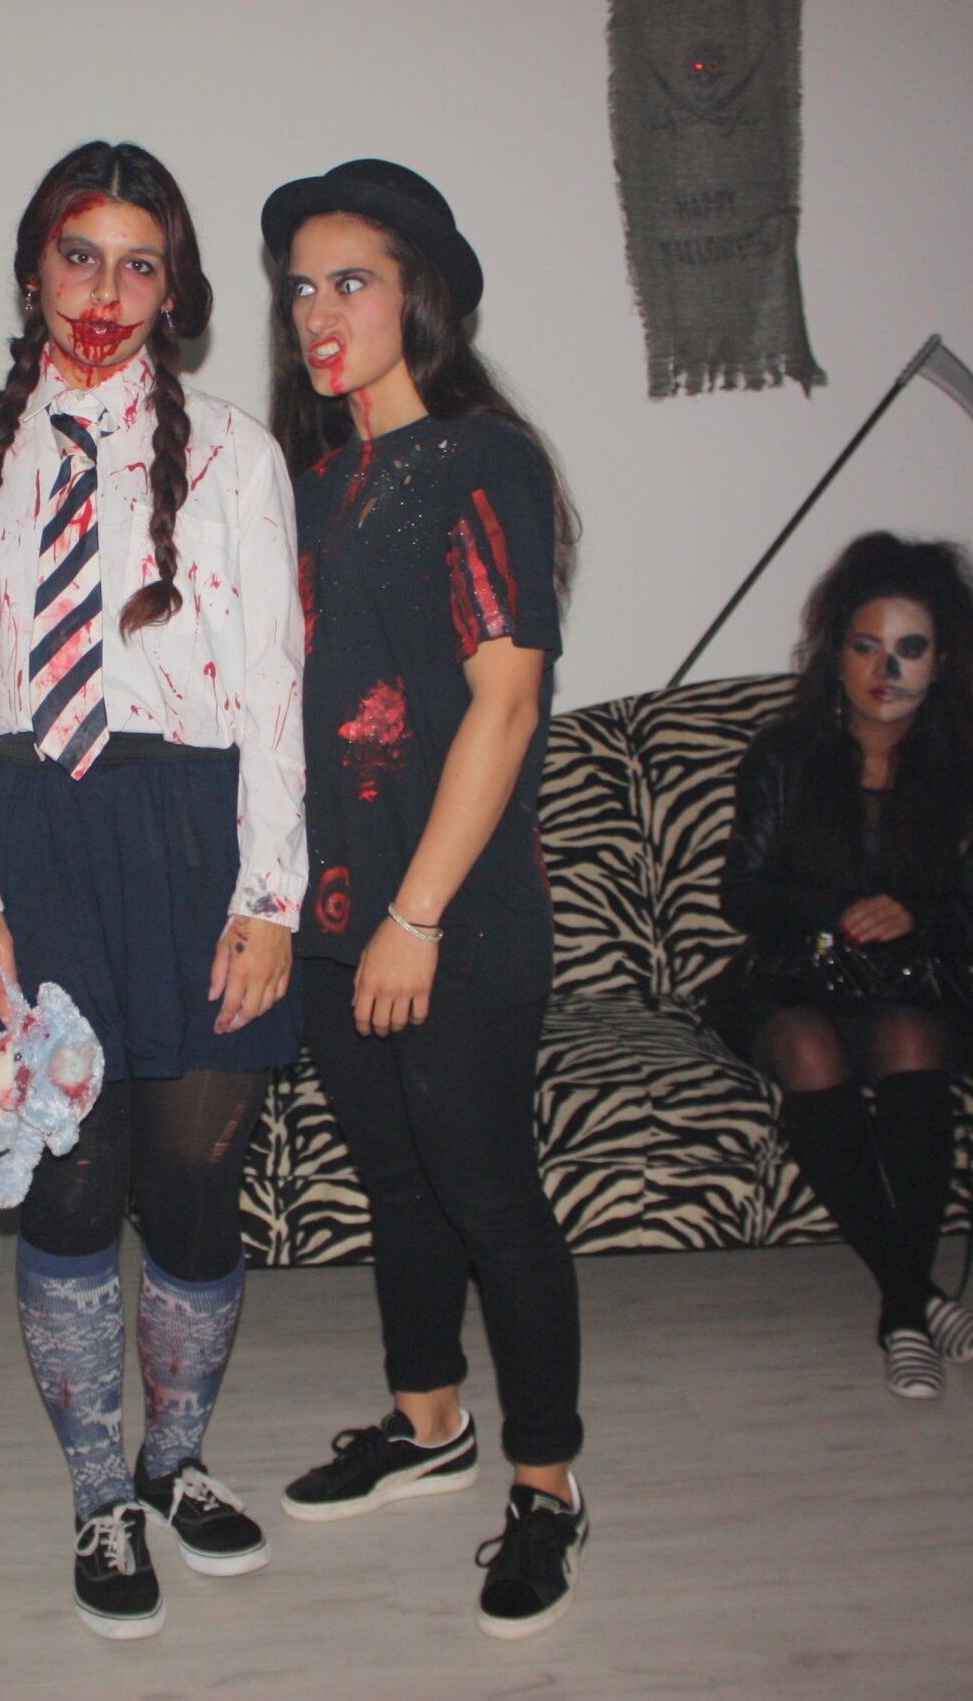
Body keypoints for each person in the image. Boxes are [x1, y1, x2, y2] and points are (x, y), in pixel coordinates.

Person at [0, 140, 305, 1640]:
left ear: (175, 290)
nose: (107, 292)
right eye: (82, 255)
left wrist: (270, 897)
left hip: (198, 841)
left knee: (193, 1186)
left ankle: (175, 1460)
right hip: (32, 843)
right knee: (69, 1184)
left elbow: (276, 693)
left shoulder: (238, 457)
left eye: (142, 265)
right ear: (33, 269)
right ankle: (96, 1492)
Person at [259, 159, 587, 1640]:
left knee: (488, 1194)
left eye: (353, 281)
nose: (319, 312)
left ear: (422, 299)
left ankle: (547, 1482)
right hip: (336, 914)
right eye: (301, 287)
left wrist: (417, 918)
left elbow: (505, 705)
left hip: (449, 916)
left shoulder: (482, 459)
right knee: (395, 1183)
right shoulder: (307, 487)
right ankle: (429, 1420)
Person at [703, 533, 973, 1401]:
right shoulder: (784, 754)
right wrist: (831, 908)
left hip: (905, 983)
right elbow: (742, 893)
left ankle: (903, 1311)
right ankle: (916, 1303)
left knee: (914, 1039)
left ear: (943, 662)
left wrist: (916, 918)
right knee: (809, 1049)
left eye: (911, 648)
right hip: (788, 975)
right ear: (835, 652)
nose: (887, 669)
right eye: (867, 645)